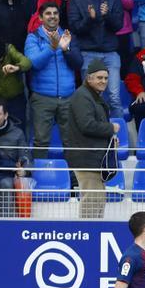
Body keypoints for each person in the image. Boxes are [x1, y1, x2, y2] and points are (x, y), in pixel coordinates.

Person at [68, 0, 125, 119]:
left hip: (110, 53)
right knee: (90, 99)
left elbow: (118, 26)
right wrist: (90, 19)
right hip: (87, 53)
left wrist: (106, 16)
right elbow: (75, 28)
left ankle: (118, 138)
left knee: (114, 98)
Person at [62, 58, 117, 219]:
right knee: (91, 204)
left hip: (94, 159)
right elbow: (87, 125)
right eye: (99, 78)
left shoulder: (92, 96)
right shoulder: (82, 96)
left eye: (106, 78)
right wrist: (111, 128)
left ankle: (92, 236)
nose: (103, 81)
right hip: (86, 159)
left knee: (97, 202)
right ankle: (88, 237)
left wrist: (110, 139)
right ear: (89, 78)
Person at [25, 9, 81, 158]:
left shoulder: (68, 36)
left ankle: (74, 180)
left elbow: (78, 63)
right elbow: (34, 63)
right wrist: (52, 47)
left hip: (68, 97)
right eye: (48, 14)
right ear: (41, 17)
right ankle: (39, 178)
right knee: (41, 141)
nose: (52, 16)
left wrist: (66, 49)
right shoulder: (33, 37)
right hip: (42, 98)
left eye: (56, 13)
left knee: (71, 141)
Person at [0, 99, 30, 215]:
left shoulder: (17, 133)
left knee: (6, 184)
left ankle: (6, 224)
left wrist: (24, 170)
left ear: (6, 115)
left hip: (6, 175)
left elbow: (25, 156)